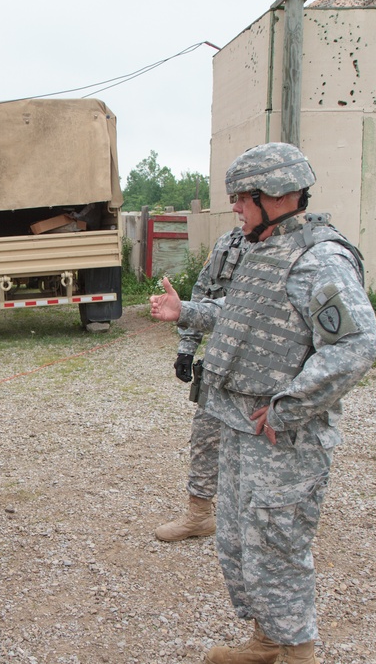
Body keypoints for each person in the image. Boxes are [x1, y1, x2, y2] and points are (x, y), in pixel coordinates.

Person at [150, 143, 376, 664]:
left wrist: (289, 407)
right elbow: (243, 313)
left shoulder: (318, 257)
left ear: (272, 196)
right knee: (239, 543)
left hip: (284, 438)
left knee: (277, 547)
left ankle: (298, 653)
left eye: (240, 197)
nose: (233, 207)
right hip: (240, 426)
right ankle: (266, 640)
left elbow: (357, 344)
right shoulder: (267, 246)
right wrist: (185, 311)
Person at [156, 226, 248, 542]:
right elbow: (203, 295)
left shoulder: (291, 247)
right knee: (206, 436)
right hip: (222, 362)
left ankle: (266, 518)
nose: (238, 208)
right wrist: (187, 347)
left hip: (270, 370)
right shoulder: (228, 243)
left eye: (245, 199)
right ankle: (199, 516)